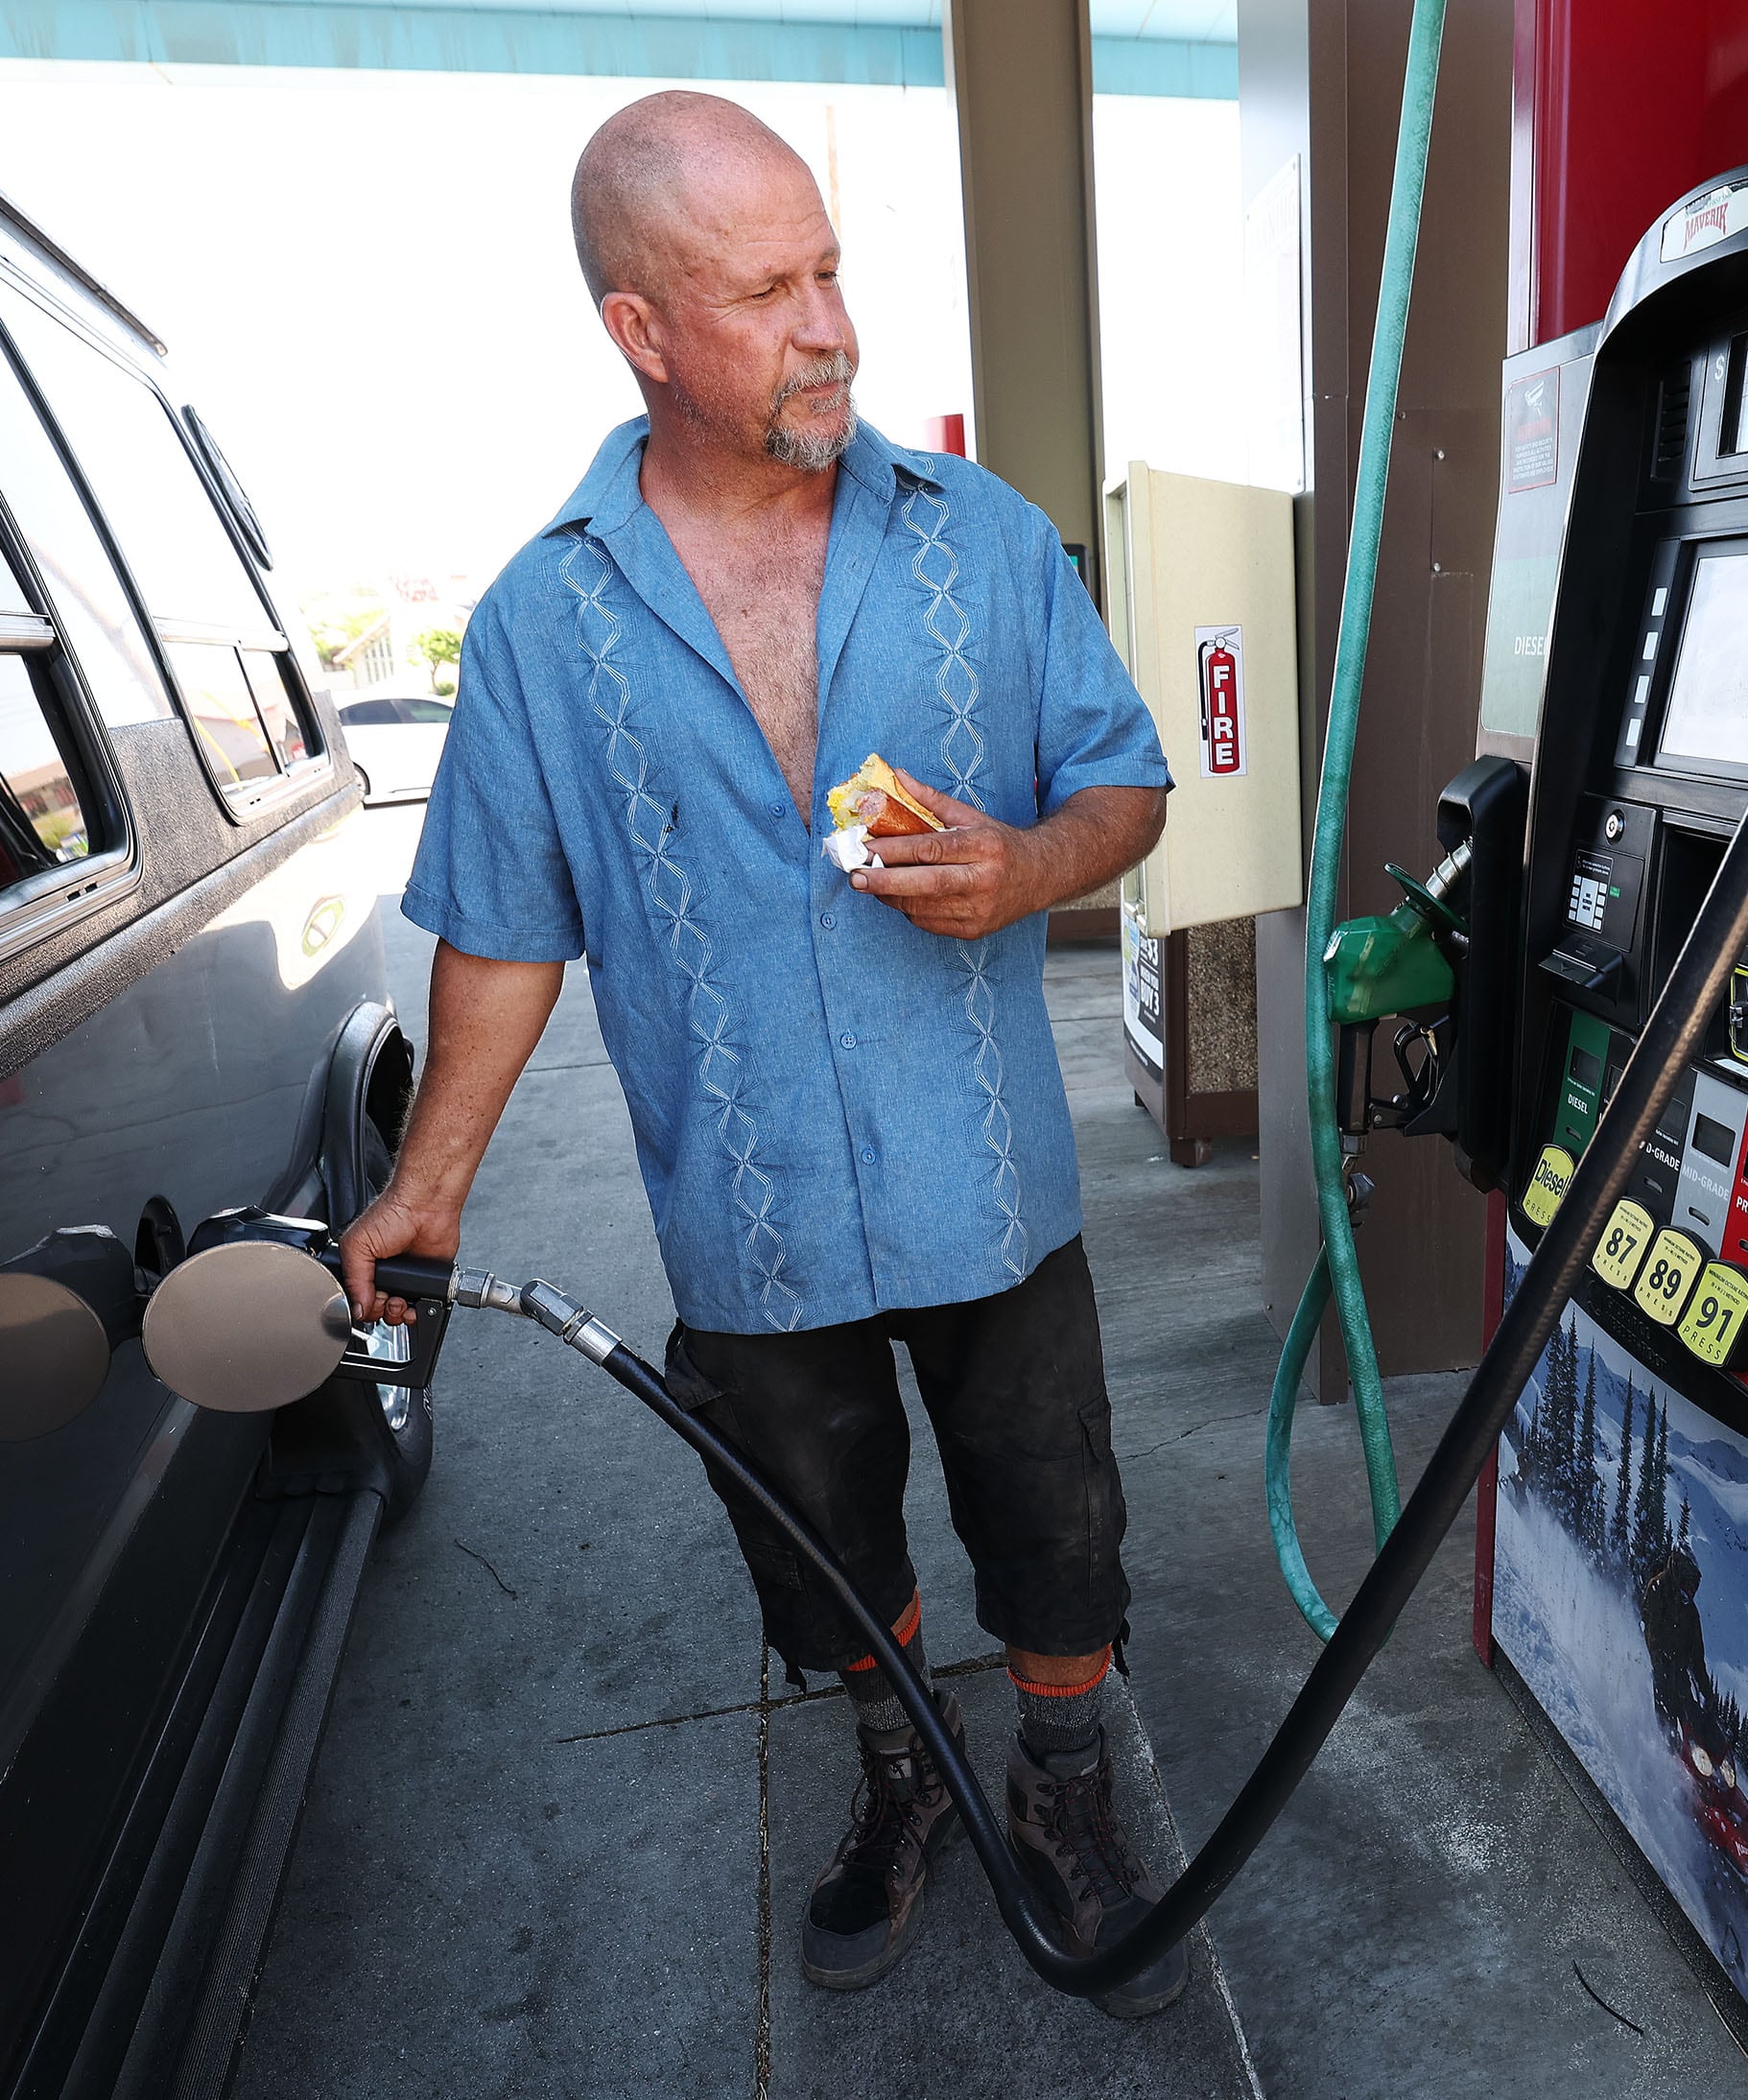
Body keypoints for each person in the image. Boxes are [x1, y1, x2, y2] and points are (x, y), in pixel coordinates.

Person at [336, 90, 1185, 2017]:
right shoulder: (547, 619)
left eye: (832, 271)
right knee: (816, 1533)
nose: (832, 327)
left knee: (1054, 1509)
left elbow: (1125, 785)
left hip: (991, 1177)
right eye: (766, 291)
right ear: (640, 329)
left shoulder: (980, 539)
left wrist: (1030, 865)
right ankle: (900, 1782)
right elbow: (503, 927)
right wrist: (426, 1189)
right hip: (751, 1212)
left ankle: (1062, 1791)